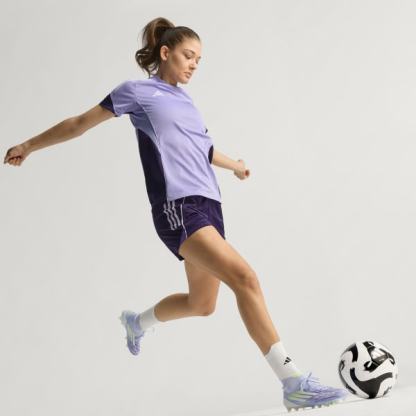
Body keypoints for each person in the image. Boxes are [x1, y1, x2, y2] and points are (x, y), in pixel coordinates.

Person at [3, 16, 349, 412]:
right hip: (178, 207)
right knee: (245, 278)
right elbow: (80, 123)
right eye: (188, 55)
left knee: (202, 304)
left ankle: (137, 322)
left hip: (209, 205)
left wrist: (235, 165)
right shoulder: (137, 92)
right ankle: (293, 382)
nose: (194, 64)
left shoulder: (186, 101)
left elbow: (202, 149)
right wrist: (28, 145)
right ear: (165, 53)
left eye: (199, 59)